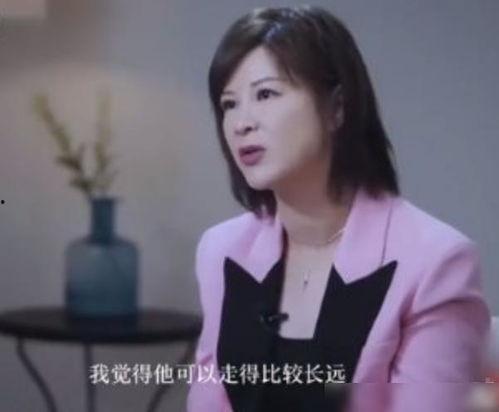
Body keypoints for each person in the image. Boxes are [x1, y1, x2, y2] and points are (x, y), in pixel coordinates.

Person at [186, 5, 491, 412]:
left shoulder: (436, 263)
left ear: (337, 108)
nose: (241, 123)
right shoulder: (222, 250)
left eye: (265, 94)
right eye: (228, 104)